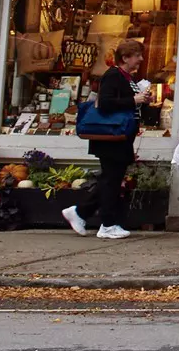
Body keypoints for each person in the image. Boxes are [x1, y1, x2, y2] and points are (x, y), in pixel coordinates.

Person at [63, 39, 151, 241]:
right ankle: (107, 224)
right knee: (111, 180)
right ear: (125, 57)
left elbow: (125, 104)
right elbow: (105, 103)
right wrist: (133, 100)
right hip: (111, 137)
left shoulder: (126, 77)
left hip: (120, 137)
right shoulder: (113, 75)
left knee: (110, 179)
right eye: (137, 55)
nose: (140, 59)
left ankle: (79, 213)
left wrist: (142, 101)